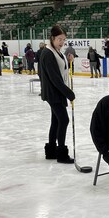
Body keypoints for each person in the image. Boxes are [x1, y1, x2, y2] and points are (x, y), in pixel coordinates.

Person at [39, 25, 75, 163]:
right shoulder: (48, 53)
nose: (62, 42)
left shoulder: (57, 51)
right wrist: (69, 93)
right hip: (54, 93)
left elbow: (60, 69)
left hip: (57, 92)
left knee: (56, 121)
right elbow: (54, 78)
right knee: (63, 120)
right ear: (52, 38)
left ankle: (51, 151)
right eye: (59, 39)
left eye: (64, 40)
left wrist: (68, 60)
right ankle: (61, 153)